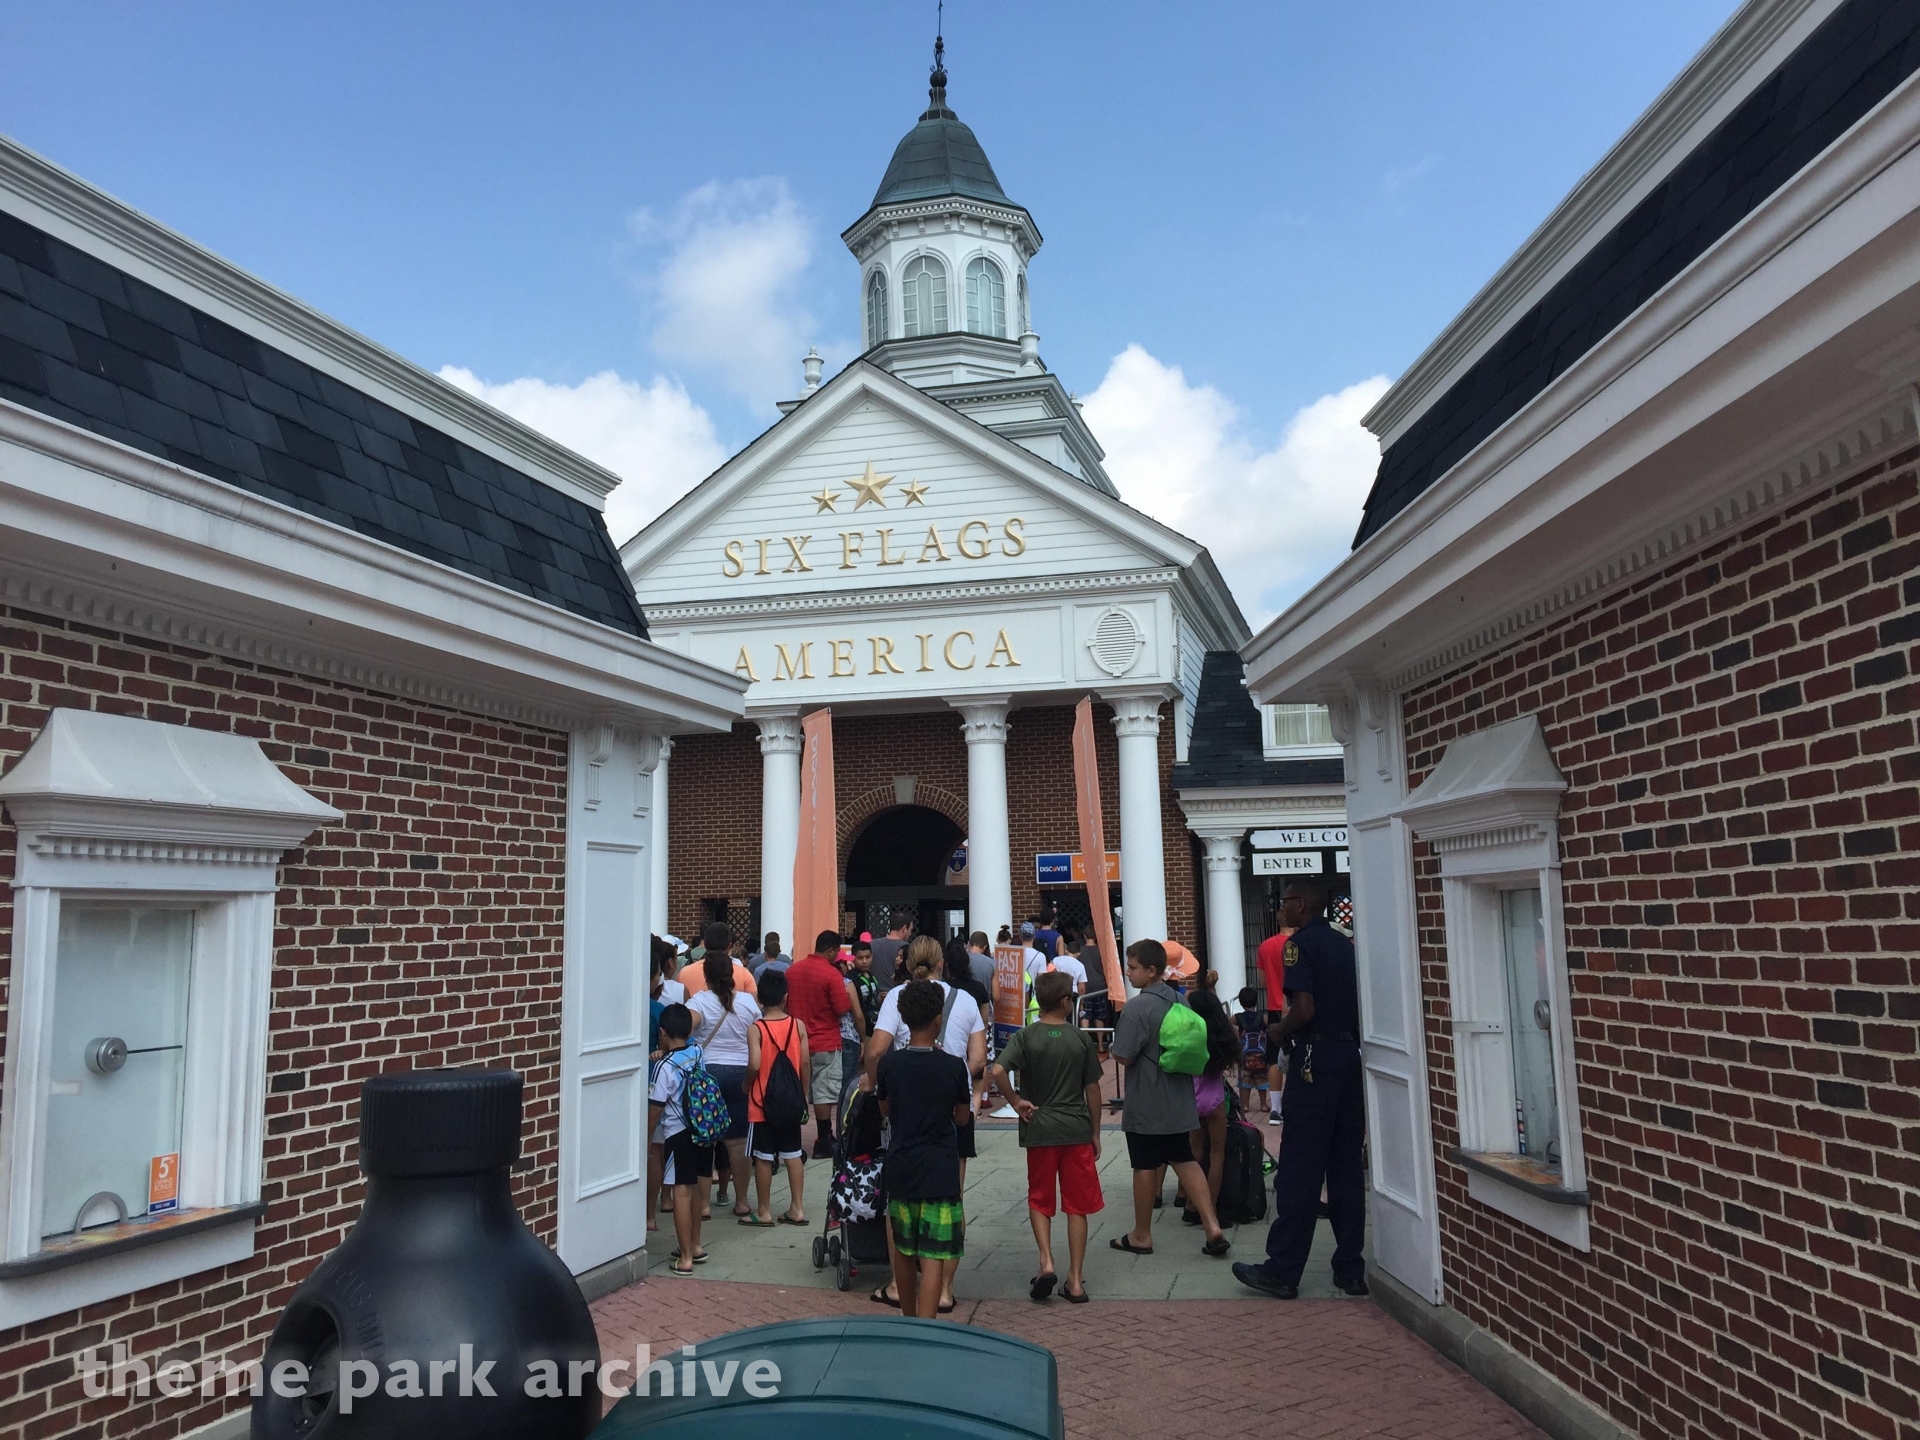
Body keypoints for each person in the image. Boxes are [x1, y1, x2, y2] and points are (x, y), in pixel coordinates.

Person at [1233, 879, 1368, 1300]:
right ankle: (1350, 1268)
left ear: (1302, 905)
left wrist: (1278, 1030)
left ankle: (1283, 1268)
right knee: (1345, 1167)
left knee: (1299, 1167)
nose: (1278, 909)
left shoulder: (1300, 945)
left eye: (1284, 902)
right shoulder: (1344, 945)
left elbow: (1304, 1008)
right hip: (1349, 1059)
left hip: (1314, 1061)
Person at [863, 934, 987, 1310]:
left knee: (899, 1221)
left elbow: (877, 1050)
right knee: (950, 1207)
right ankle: (945, 1291)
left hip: (905, 1129)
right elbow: (978, 1060)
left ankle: (901, 1291)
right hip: (946, 1123)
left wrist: (876, 1084)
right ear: (941, 964)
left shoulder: (898, 1004)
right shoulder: (964, 1002)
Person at [1108, 939, 1230, 1258]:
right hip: (1180, 1098)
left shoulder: (1137, 1007)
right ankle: (1212, 1226)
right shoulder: (1182, 1002)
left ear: (1151, 971)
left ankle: (1141, 1234)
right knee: (1186, 1160)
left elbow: (1122, 1056)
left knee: (1145, 1165)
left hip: (1146, 1102)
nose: (1128, 972)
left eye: (1133, 967)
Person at [989, 970, 1103, 1303]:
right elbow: (1093, 1089)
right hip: (1075, 1128)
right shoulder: (1080, 1039)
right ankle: (1076, 1280)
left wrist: (1015, 1101)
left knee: (1040, 1197)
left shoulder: (1026, 1037)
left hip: (1039, 1127)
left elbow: (997, 1070)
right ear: (1066, 1001)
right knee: (1077, 1205)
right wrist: (1095, 1131)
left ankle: (1046, 1261)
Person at [875, 979, 972, 1319]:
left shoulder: (889, 1065)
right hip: (940, 1168)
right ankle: (927, 1326)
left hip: (901, 1164)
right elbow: (961, 1117)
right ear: (937, 1020)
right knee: (932, 1256)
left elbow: (885, 1110)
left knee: (903, 1249)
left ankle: (907, 1318)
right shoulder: (952, 1066)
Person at [686, 933, 763, 1220]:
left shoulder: (698, 1002)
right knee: (738, 1142)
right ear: (732, 973)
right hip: (741, 1073)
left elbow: (686, 1028)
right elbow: (759, 1034)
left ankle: (704, 1204)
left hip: (707, 1073)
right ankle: (742, 1201)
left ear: (705, 975)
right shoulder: (747, 1003)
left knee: (706, 1140)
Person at [647, 1003, 710, 1275]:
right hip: (703, 1128)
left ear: (662, 1032)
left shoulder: (663, 1067)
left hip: (678, 1132)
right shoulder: (697, 1052)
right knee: (695, 1189)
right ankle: (695, 1245)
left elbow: (657, 1107)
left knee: (680, 1193)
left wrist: (646, 1138)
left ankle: (684, 1258)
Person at [744, 969, 809, 1226]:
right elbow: (804, 1062)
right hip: (791, 1101)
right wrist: (803, 1094)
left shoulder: (756, 1029)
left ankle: (764, 1211)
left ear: (759, 999)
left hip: (762, 1102)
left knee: (763, 1156)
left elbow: (755, 1064)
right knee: (793, 1153)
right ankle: (797, 1208)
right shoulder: (798, 1025)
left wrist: (746, 1084)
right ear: (785, 997)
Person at [787, 930, 855, 1159]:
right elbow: (842, 1008)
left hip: (797, 1041)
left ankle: (792, 1139)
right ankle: (823, 1139)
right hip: (826, 1040)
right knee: (824, 1092)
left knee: (798, 1090)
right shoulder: (831, 974)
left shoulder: (792, 971)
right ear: (831, 950)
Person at [1183, 972, 1241, 1225]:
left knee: (1194, 1152)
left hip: (1191, 1096)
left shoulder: (1187, 1034)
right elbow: (1215, 1013)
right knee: (1217, 1154)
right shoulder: (1223, 1036)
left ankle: (1192, 1204)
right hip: (1215, 1097)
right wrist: (1211, 990)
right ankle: (1212, 1209)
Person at [1234, 985, 1272, 1120]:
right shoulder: (1264, 1017)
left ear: (1240, 1002)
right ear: (1256, 1001)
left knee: (1245, 1080)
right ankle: (1263, 1104)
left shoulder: (1236, 1018)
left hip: (1244, 1056)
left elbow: (1231, 1029)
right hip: (1261, 1055)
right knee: (1262, 1080)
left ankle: (1245, 1105)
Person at [870, 912, 914, 989]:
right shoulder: (907, 948)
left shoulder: (872, 944)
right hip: (896, 994)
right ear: (904, 929)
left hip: (875, 994)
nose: (910, 934)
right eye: (910, 930)